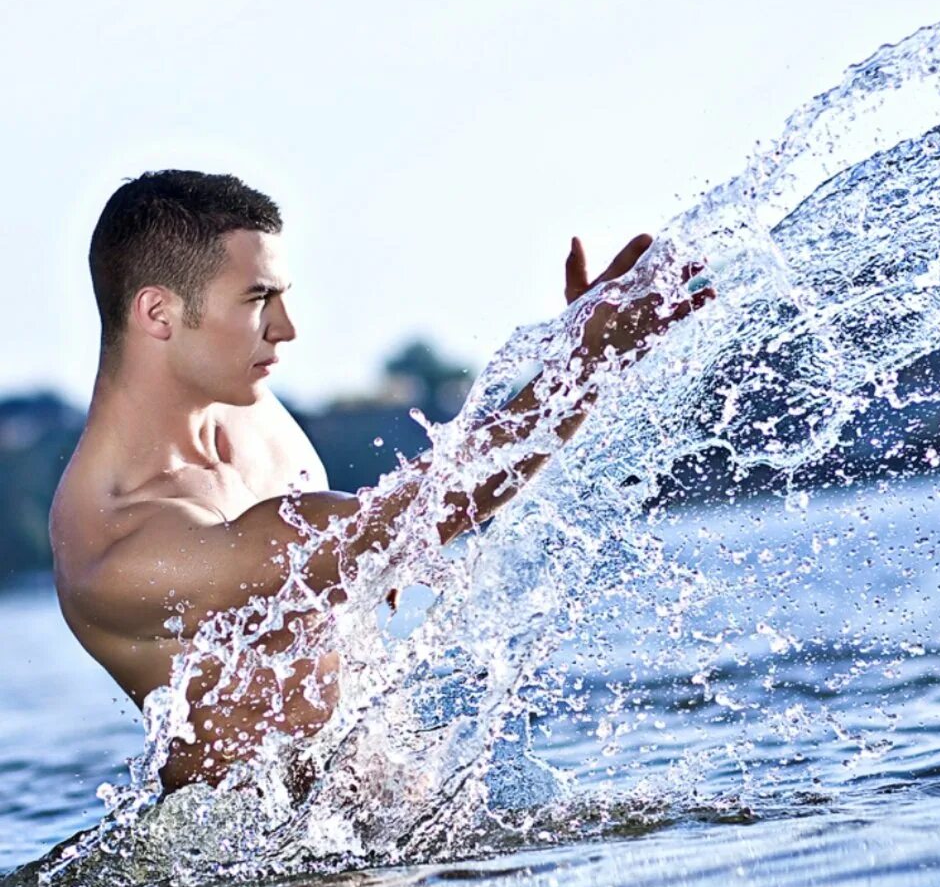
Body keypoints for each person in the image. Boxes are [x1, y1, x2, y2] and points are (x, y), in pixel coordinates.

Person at [49, 170, 712, 791]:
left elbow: (373, 541)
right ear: (158, 314)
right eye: (257, 300)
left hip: (383, 832)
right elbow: (405, 517)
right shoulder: (121, 547)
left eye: (281, 296)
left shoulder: (250, 411)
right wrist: (583, 365)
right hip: (264, 870)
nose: (287, 328)